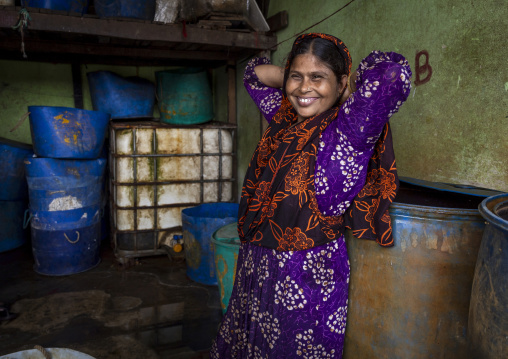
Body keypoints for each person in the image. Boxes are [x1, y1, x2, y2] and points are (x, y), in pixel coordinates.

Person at [211, 33, 411, 358]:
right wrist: (292, 73)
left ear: (341, 82)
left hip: (305, 283)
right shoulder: (285, 119)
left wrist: (349, 86)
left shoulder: (348, 130)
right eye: (297, 77)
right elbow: (254, 73)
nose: (304, 89)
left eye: (318, 78)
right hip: (257, 269)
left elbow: (393, 75)